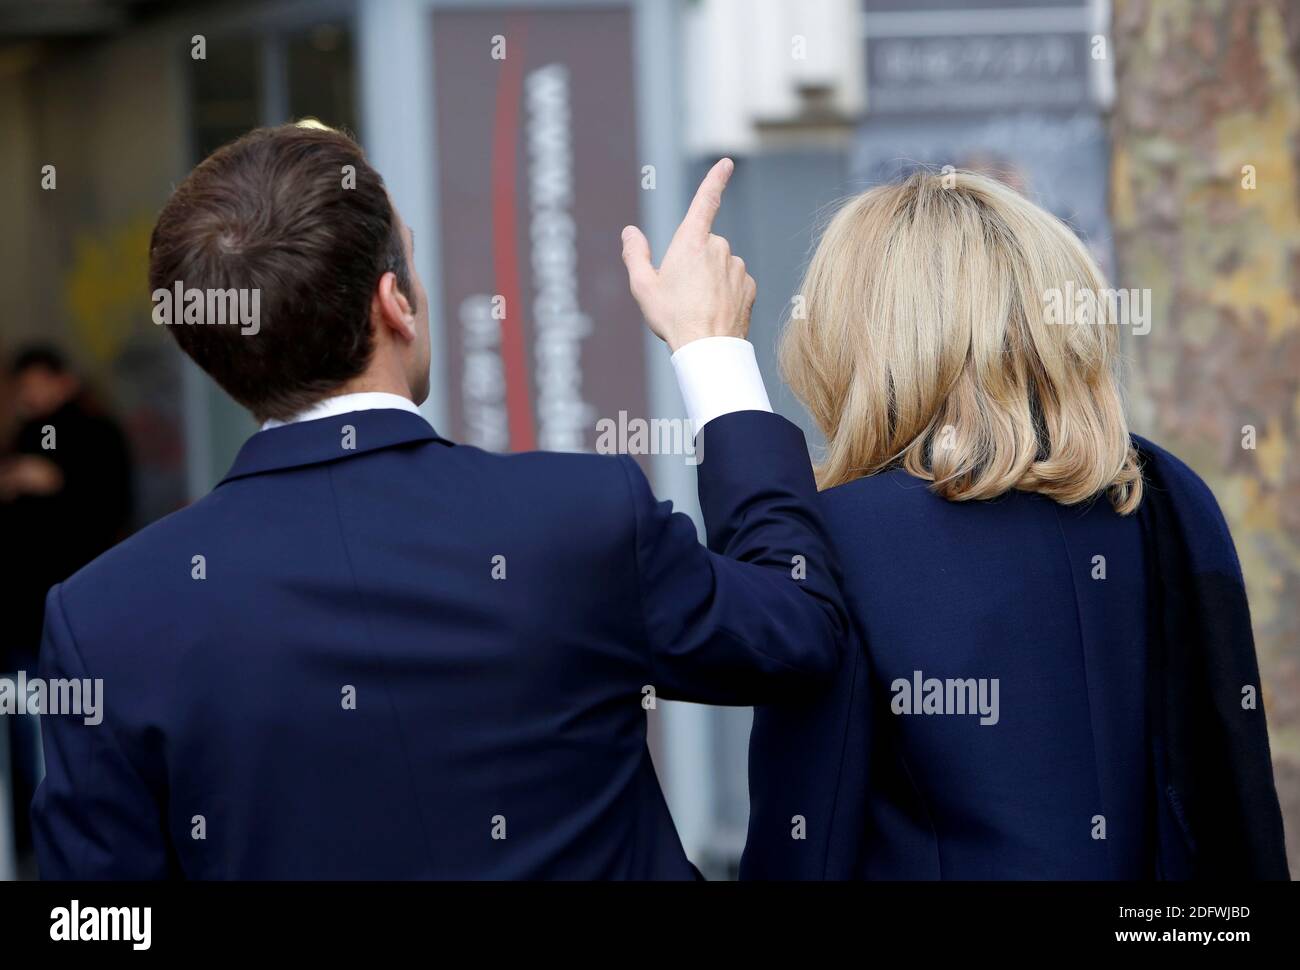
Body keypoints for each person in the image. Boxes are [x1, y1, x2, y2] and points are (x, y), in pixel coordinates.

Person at [31, 124, 847, 879]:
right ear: (394, 303)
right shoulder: (577, 517)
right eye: (412, 262)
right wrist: (711, 352)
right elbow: (798, 629)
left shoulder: (106, 619)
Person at [737, 169, 1289, 880]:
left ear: (853, 341)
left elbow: (805, 850)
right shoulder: (1170, 499)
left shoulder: (839, 539)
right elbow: (1232, 800)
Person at [0, 345, 132, 869]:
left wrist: (52, 482)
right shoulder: (23, 438)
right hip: (26, 625)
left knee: (69, 739)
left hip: (68, 622)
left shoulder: (93, 435)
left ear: (61, 380)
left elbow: (106, 514)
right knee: (30, 741)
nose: (29, 396)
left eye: (36, 383)